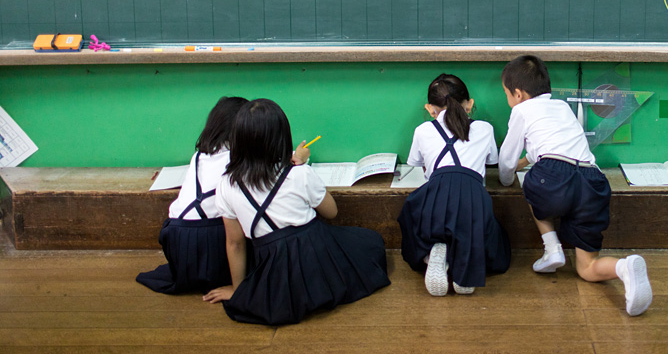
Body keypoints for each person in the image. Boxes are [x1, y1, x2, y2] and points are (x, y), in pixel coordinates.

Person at [202, 98, 390, 325]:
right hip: (316, 252)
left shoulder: (226, 184)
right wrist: (302, 166)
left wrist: (240, 290)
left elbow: (235, 243)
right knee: (371, 243)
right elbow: (331, 212)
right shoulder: (299, 174)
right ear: (282, 138)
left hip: (271, 261)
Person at [498, 55, 652, 316]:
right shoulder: (561, 107)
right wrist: (526, 161)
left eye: (507, 95)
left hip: (555, 179)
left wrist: (506, 177)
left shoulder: (521, 110)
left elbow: (507, 159)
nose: (509, 100)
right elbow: (543, 151)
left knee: (533, 185)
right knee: (586, 268)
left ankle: (553, 249)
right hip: (593, 182)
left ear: (518, 94)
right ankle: (623, 267)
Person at [397, 74, 511, 296]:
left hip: (435, 197)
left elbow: (418, 166)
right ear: (469, 105)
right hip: (473, 199)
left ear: (430, 109)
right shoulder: (485, 129)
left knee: (414, 218)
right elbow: (491, 162)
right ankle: (464, 269)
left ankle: (434, 253)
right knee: (493, 238)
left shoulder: (422, 131)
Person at [136, 96, 248, 294]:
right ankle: (235, 281)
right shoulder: (241, 159)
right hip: (209, 239)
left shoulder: (199, 156)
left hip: (177, 238)